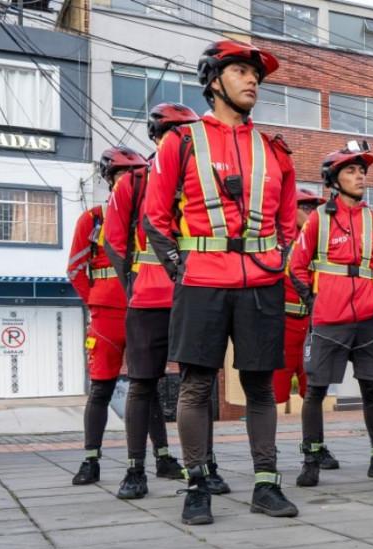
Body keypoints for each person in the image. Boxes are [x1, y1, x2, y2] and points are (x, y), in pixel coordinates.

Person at [143, 40, 298, 524]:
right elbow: (155, 218)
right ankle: (197, 485)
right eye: (239, 71)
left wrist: (276, 262)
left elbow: (289, 223)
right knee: (195, 387)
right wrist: (183, 270)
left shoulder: (274, 149)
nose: (253, 80)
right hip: (203, 282)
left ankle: (266, 485)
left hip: (261, 283)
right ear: (213, 81)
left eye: (256, 75)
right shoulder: (182, 141)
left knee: (259, 387)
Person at [103, 104, 202, 499]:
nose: (180, 141)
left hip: (195, 295)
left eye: (186, 133)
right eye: (171, 133)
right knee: (143, 384)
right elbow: (113, 241)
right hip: (147, 299)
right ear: (157, 138)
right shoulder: (134, 182)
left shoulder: (199, 181)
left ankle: (202, 467)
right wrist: (133, 286)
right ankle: (135, 470)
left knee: (198, 383)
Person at [290, 143, 373, 485]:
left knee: (372, 388)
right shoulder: (318, 219)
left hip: (366, 319)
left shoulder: (372, 220)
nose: (360, 177)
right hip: (328, 319)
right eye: (351, 171)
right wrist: (315, 302)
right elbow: (297, 267)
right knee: (316, 390)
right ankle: (311, 458)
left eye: (362, 171)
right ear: (333, 179)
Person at [66, 145, 148, 486]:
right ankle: (90, 460)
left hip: (144, 310)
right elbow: (75, 269)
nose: (126, 182)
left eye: (133, 176)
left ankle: (160, 456)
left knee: (148, 386)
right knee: (101, 388)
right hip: (106, 315)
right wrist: (96, 302)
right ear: (108, 179)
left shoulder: (148, 218)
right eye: (119, 175)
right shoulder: (94, 218)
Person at [273, 188, 321, 415]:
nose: (312, 212)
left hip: (313, 326)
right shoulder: (279, 243)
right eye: (306, 207)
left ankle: (314, 441)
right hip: (284, 326)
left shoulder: (321, 241)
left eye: (314, 208)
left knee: (313, 387)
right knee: (275, 391)